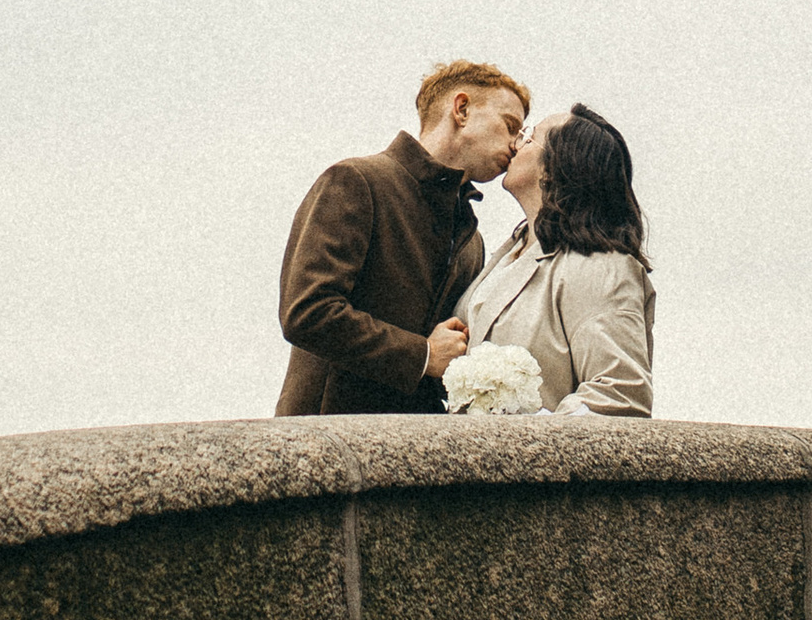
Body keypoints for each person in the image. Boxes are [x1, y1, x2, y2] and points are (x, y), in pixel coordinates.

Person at [276, 62, 530, 414]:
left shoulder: (473, 241)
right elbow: (307, 312)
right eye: (510, 126)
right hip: (328, 444)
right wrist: (423, 355)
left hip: (423, 451)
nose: (517, 145)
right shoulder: (356, 181)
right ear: (462, 109)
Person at [459, 105, 655, 416]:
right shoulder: (508, 252)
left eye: (529, 138)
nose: (514, 144)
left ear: (554, 168)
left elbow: (618, 392)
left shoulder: (600, 265)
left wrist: (534, 435)